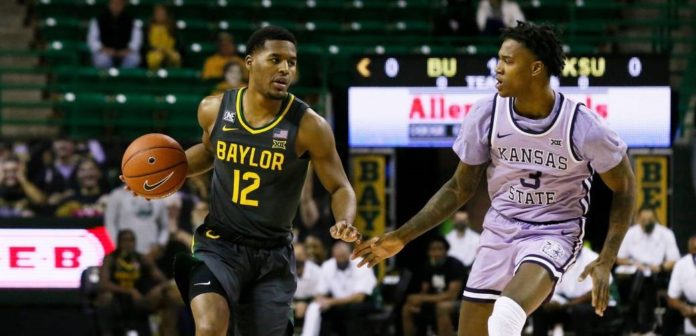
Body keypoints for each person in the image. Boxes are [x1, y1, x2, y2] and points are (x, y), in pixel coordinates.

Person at [353, 21, 636, 336]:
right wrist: (402, 237)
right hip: (500, 229)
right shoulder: (486, 114)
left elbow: (625, 189)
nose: (497, 68)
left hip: (554, 232)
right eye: (498, 59)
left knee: (505, 317)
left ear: (536, 69)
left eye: (508, 61)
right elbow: (459, 188)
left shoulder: (583, 126)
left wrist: (606, 258)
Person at [159, 26, 360, 336]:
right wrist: (167, 173)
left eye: (291, 62)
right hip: (219, 245)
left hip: (272, 256)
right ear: (249, 62)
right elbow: (211, 152)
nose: (285, 68)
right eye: (275, 59)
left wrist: (344, 220)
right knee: (211, 326)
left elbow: (340, 186)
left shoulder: (310, 126)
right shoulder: (213, 109)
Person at [616, 205, 680, 334]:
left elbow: (674, 260)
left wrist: (660, 267)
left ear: (655, 219)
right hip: (634, 272)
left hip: (658, 273)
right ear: (638, 219)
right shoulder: (630, 233)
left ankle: (640, 325)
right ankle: (641, 325)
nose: (647, 222)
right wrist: (633, 262)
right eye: (644, 219)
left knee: (647, 282)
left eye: (650, 219)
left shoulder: (666, 233)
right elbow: (619, 258)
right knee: (635, 279)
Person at [531, 245, 620, 336]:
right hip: (569, 305)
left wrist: (567, 305)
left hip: (601, 306)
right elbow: (555, 289)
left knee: (579, 311)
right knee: (540, 308)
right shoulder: (558, 258)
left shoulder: (592, 258)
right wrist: (551, 301)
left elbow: (594, 294)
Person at [301, 242, 377, 336]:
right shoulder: (328, 265)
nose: (340, 260)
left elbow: (359, 297)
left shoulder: (362, 264)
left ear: (349, 254)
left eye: (343, 256)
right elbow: (320, 292)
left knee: (352, 311)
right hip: (338, 304)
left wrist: (330, 302)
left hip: (363, 302)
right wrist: (321, 301)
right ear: (334, 256)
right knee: (321, 311)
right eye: (338, 257)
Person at [402, 235, 466, 336]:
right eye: (433, 249)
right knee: (408, 307)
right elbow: (425, 290)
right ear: (428, 252)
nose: (437, 253)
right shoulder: (428, 266)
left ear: (446, 250)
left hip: (460, 302)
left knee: (442, 307)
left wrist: (423, 299)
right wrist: (417, 300)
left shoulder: (455, 265)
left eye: (440, 249)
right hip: (435, 301)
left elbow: (452, 295)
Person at [87, 0, 142, 69]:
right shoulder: (98, 19)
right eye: (114, 3)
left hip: (125, 53)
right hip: (105, 52)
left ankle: (124, 78)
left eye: (119, 4)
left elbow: (136, 40)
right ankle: (105, 79)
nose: (116, 6)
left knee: (134, 59)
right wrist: (104, 49)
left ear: (123, 5)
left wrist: (127, 50)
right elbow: (92, 40)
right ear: (109, 4)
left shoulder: (132, 20)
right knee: (102, 60)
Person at [666, 234, 696, 336]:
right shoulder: (681, 264)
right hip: (689, 305)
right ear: (690, 250)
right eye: (694, 249)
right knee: (670, 314)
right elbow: (671, 299)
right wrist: (683, 307)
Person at [145, 4, 181, 70]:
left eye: (162, 14)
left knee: (176, 57)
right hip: (154, 52)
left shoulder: (173, 28)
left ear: (167, 15)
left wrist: (166, 51)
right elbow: (146, 45)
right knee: (154, 58)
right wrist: (155, 49)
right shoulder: (148, 28)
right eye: (157, 14)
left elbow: (179, 45)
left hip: (170, 51)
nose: (160, 16)